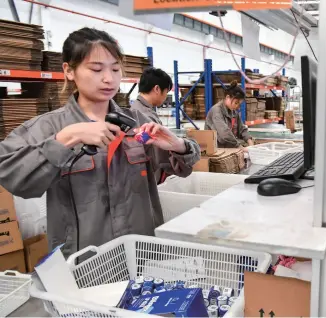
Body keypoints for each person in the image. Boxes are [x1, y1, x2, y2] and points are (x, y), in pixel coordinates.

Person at [0, 28, 200, 258]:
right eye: (96, 69)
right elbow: (11, 174)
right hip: (84, 261)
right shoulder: (48, 128)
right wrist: (66, 139)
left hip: (141, 253)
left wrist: (178, 146)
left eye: (115, 69)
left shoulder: (137, 122)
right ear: (69, 71)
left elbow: (185, 166)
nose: (109, 78)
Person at [131, 67, 174, 184]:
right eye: (166, 92)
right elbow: (146, 146)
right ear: (157, 89)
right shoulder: (142, 115)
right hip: (148, 173)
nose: (165, 97)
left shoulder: (142, 110)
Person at [205, 81, 254, 148]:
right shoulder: (216, 111)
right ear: (227, 97)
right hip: (215, 148)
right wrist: (240, 147)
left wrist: (250, 142)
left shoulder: (233, 111)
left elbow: (241, 129)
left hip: (227, 147)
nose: (237, 106)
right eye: (236, 103)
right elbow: (225, 134)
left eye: (239, 104)